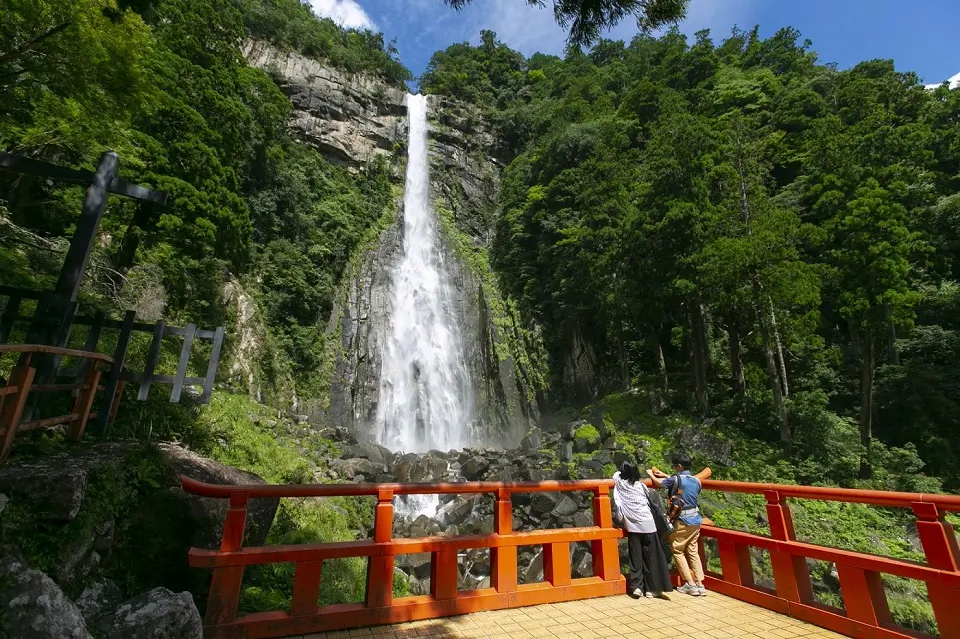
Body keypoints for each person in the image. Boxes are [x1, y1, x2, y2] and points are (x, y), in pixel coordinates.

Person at [648, 455, 711, 597]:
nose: (674, 467)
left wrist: (650, 474)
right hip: (696, 520)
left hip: (681, 519)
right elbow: (680, 481)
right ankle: (700, 584)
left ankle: (689, 583)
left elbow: (660, 484)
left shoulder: (676, 479)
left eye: (675, 465)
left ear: (680, 466)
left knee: (677, 549)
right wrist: (665, 475)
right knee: (692, 551)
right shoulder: (696, 480)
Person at [612, 462, 672, 599]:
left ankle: (637, 587)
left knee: (636, 557)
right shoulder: (641, 486)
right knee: (652, 557)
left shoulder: (620, 483)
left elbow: (616, 474)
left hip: (632, 526)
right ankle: (652, 589)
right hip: (648, 524)